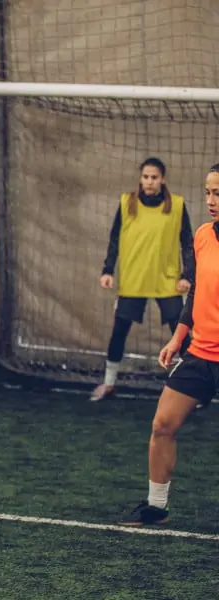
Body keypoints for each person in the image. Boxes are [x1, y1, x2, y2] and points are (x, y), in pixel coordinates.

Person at [116, 163, 219, 527]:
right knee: (162, 424)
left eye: (218, 193)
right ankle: (156, 507)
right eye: (208, 192)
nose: (210, 200)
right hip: (199, 354)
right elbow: (197, 295)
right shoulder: (203, 236)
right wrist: (178, 337)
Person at [91, 157, 194, 402]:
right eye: (146, 177)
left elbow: (187, 244)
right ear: (141, 178)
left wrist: (186, 275)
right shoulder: (127, 203)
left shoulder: (177, 205)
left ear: (163, 179)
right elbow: (115, 238)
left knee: (181, 335)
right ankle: (108, 384)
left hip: (167, 280)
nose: (150, 181)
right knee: (119, 331)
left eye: (154, 177)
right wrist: (108, 270)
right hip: (133, 279)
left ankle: (191, 390)